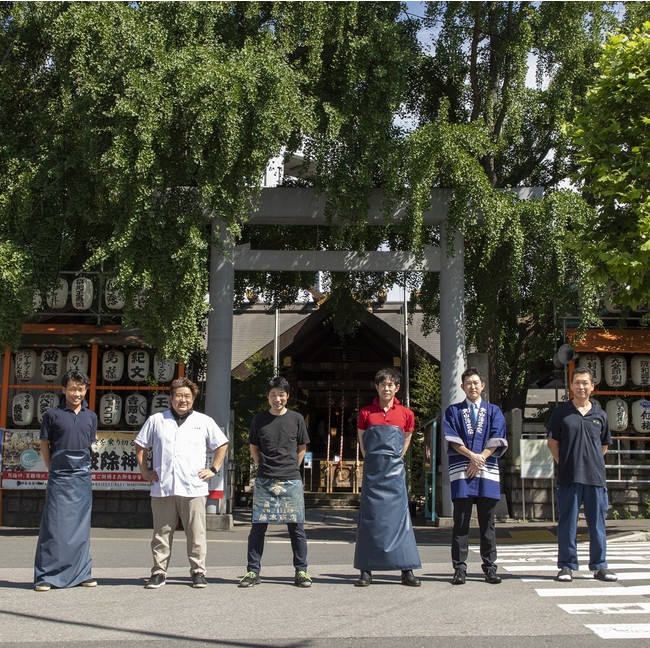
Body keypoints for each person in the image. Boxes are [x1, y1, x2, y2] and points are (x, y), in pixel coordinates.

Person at [135, 377, 228, 589]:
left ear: (194, 398)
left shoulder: (203, 422)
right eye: (178, 396)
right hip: (163, 486)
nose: (182, 400)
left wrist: (213, 468)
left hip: (193, 486)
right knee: (161, 533)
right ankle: (159, 572)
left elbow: (222, 443)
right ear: (171, 397)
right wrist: (144, 470)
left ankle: (198, 571)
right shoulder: (157, 420)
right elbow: (140, 444)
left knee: (196, 533)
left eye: (187, 396)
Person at [238, 376, 312, 588]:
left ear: (287, 396)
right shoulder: (259, 419)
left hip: (291, 479)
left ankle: (301, 571)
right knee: (258, 527)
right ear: (267, 397)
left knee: (296, 527)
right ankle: (253, 571)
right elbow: (254, 446)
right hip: (265, 478)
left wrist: (291, 467)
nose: (277, 398)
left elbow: (302, 448)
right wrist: (262, 464)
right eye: (273, 394)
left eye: (281, 394)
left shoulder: (297, 418)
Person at [547, 366, 617, 583]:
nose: (581, 386)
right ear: (571, 386)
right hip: (570, 477)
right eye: (577, 382)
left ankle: (600, 566)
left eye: (585, 382)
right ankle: (567, 566)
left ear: (592, 386)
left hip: (595, 477)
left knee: (597, 523)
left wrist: (592, 462)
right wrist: (566, 463)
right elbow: (552, 443)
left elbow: (604, 446)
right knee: (568, 522)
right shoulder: (562, 413)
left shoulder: (600, 415)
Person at [353, 367, 421, 587]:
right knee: (370, 520)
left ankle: (406, 569)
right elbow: (362, 440)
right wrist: (371, 459)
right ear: (377, 387)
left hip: (395, 473)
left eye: (391, 384)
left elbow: (407, 437)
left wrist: (396, 457)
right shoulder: (365, 413)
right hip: (373, 473)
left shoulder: (406, 413)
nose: (386, 388)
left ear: (397, 387)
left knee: (400, 520)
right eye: (383, 384)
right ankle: (366, 570)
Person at [34, 369, 98, 592]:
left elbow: (89, 446)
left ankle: (82, 573)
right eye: (72, 389)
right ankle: (45, 576)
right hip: (59, 477)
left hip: (82, 477)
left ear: (85, 390)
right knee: (54, 526)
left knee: (81, 527)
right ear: (64, 390)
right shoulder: (52, 414)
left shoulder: (91, 416)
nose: (77, 393)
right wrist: (50, 466)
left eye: (81, 389)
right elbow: (44, 443)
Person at [443, 367, 508, 585]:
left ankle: (490, 566)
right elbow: (451, 439)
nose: (472, 386)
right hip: (462, 471)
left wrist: (480, 458)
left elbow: (497, 437)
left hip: (486, 471)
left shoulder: (493, 411)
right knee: (460, 523)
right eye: (468, 383)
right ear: (462, 387)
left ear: (482, 386)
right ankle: (460, 568)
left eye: (475, 382)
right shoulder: (453, 411)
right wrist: (472, 456)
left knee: (487, 523)